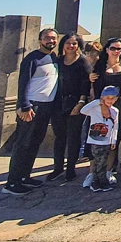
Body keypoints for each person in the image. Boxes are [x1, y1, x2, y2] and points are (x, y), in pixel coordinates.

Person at [2, 28, 59, 195]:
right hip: (32, 106)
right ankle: (11, 183)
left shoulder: (53, 57)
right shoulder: (32, 59)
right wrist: (24, 105)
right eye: (47, 38)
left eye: (53, 38)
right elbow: (23, 83)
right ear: (40, 40)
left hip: (46, 106)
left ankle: (24, 176)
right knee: (22, 144)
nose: (51, 41)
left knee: (35, 143)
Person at [85, 37, 121, 188]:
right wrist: (103, 107)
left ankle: (108, 170)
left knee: (113, 140)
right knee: (97, 138)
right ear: (107, 49)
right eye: (113, 48)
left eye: (119, 49)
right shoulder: (99, 66)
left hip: (120, 106)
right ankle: (92, 172)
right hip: (101, 106)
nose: (116, 51)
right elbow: (96, 88)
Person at [49, 32, 90, 182]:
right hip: (58, 103)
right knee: (59, 137)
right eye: (68, 43)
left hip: (75, 103)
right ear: (63, 45)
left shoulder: (83, 62)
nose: (71, 46)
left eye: (74, 43)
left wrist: (81, 103)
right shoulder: (57, 61)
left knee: (73, 137)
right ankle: (58, 167)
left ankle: (71, 168)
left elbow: (85, 84)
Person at [80, 85, 120, 193]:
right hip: (95, 140)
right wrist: (99, 102)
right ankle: (98, 182)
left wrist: (113, 140)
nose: (110, 101)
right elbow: (83, 110)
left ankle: (99, 182)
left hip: (106, 141)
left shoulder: (115, 111)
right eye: (107, 98)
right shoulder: (95, 108)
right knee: (99, 162)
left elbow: (115, 127)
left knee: (102, 162)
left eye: (113, 98)